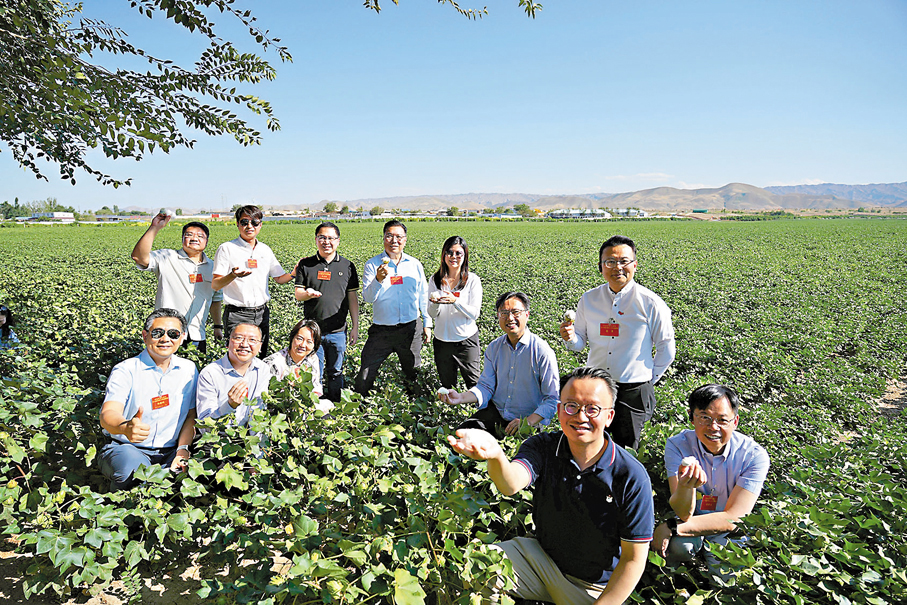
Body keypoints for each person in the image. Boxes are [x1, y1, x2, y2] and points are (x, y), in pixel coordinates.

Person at [448, 367, 654, 604]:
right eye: (571, 406)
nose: (581, 416)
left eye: (592, 409)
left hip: (592, 587)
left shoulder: (631, 475)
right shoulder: (543, 446)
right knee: (481, 564)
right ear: (559, 410)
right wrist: (495, 455)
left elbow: (633, 559)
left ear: (609, 416)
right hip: (541, 561)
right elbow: (511, 483)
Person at [559, 235, 675, 450]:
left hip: (633, 390)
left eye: (624, 261)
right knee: (590, 445)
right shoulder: (589, 299)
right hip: (595, 388)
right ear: (601, 266)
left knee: (627, 449)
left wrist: (648, 380)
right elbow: (580, 343)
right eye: (610, 262)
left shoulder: (650, 302)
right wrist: (571, 338)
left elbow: (666, 348)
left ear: (635, 265)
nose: (617, 267)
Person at [652, 384, 769, 579]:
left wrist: (671, 526)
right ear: (691, 416)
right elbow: (682, 511)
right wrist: (686, 486)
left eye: (722, 420)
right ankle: (669, 579)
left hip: (728, 530)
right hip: (689, 517)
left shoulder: (753, 456)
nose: (713, 427)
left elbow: (734, 518)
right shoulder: (677, 445)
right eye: (704, 417)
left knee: (728, 581)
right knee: (678, 547)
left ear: (735, 421)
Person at [98, 309, 197, 491]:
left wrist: (182, 449)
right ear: (145, 336)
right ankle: (120, 512)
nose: (165, 339)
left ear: (182, 337)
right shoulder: (126, 370)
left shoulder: (189, 370)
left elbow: (191, 414)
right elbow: (108, 413)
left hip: (171, 450)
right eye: (158, 333)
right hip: (127, 448)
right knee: (132, 470)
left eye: (173, 334)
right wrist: (125, 428)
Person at [441, 292, 559, 438]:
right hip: (497, 412)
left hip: (529, 419)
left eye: (516, 312)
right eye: (504, 313)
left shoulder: (542, 351)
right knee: (461, 437)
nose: (510, 318)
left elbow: (552, 399)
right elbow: (486, 387)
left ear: (527, 314)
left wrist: (528, 422)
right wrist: (460, 397)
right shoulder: (494, 348)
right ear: (498, 316)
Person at [354, 220, 432, 395]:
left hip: (410, 328)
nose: (394, 240)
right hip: (382, 330)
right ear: (383, 238)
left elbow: (423, 294)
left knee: (413, 372)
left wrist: (427, 323)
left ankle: (416, 411)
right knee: (366, 372)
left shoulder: (414, 264)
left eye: (398, 236)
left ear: (405, 240)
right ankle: (358, 408)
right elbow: (368, 298)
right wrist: (378, 279)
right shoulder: (372, 265)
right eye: (389, 236)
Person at [132, 213, 223, 352]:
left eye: (200, 236)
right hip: (165, 334)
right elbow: (139, 257)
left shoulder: (213, 267)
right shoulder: (167, 257)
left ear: (207, 241)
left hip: (197, 334)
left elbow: (216, 299)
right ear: (182, 239)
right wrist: (154, 228)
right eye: (189, 235)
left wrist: (217, 326)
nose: (194, 238)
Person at [212, 205, 294, 356]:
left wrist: (294, 273)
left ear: (260, 224)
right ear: (237, 224)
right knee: (238, 358)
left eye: (254, 222)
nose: (249, 226)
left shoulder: (265, 250)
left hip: (262, 313)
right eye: (244, 222)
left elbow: (279, 278)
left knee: (261, 357)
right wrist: (233, 275)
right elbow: (216, 284)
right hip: (238, 314)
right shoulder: (227, 249)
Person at [293, 221, 360, 401]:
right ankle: (316, 407)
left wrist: (355, 326)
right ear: (316, 240)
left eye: (331, 238)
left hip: (338, 331)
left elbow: (352, 298)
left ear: (338, 241)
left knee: (336, 370)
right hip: (313, 332)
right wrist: (307, 294)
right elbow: (298, 294)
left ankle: (337, 404)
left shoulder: (347, 266)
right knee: (315, 371)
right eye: (322, 237)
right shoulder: (306, 264)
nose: (326, 242)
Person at [428, 235, 483, 390]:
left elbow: (474, 314)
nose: (454, 257)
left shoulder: (472, 280)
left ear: (464, 256)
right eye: (450, 252)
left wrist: (455, 301)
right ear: (444, 255)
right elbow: (432, 314)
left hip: (465, 342)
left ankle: (477, 413)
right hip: (442, 341)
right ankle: (450, 413)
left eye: (459, 253)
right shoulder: (435, 280)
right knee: (447, 386)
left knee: (474, 384)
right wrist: (435, 303)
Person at [196, 323, 270, 426]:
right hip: (219, 439)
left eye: (252, 340)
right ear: (228, 342)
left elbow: (259, 412)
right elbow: (204, 425)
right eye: (238, 338)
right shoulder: (210, 373)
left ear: (260, 346)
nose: (244, 345)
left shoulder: (263, 369)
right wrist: (229, 406)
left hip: (250, 438)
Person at [264, 319, 335, 415]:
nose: (303, 345)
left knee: (329, 407)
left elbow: (315, 388)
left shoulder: (312, 359)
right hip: (279, 409)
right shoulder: (274, 362)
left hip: (303, 407)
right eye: (299, 339)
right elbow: (267, 397)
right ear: (292, 338)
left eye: (309, 342)